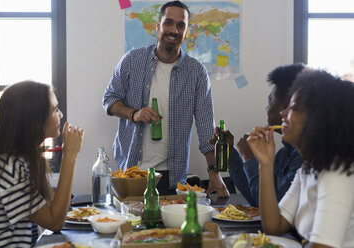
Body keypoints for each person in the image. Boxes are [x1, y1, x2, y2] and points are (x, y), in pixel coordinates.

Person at [103, 0, 228, 197]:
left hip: (172, 177)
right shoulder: (132, 60)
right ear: (157, 26)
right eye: (168, 23)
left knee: (168, 228)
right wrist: (134, 114)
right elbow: (109, 100)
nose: (174, 30)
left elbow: (206, 126)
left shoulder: (196, 72)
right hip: (131, 170)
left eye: (181, 25)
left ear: (186, 32)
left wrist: (214, 173)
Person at [247, 69, 354, 247]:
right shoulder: (309, 167)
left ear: (318, 119)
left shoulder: (337, 172)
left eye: (293, 107)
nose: (283, 113)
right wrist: (265, 164)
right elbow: (274, 226)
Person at [0, 81, 84, 247]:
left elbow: (48, 210)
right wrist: (70, 156)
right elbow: (54, 222)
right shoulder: (6, 166)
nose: (61, 115)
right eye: (55, 110)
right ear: (35, 121)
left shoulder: (20, 158)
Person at [210, 64, 304, 206]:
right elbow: (256, 198)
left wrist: (250, 159)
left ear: (288, 106)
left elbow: (274, 208)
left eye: (270, 101)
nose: (267, 108)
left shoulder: (303, 158)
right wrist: (232, 154)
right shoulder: (285, 153)